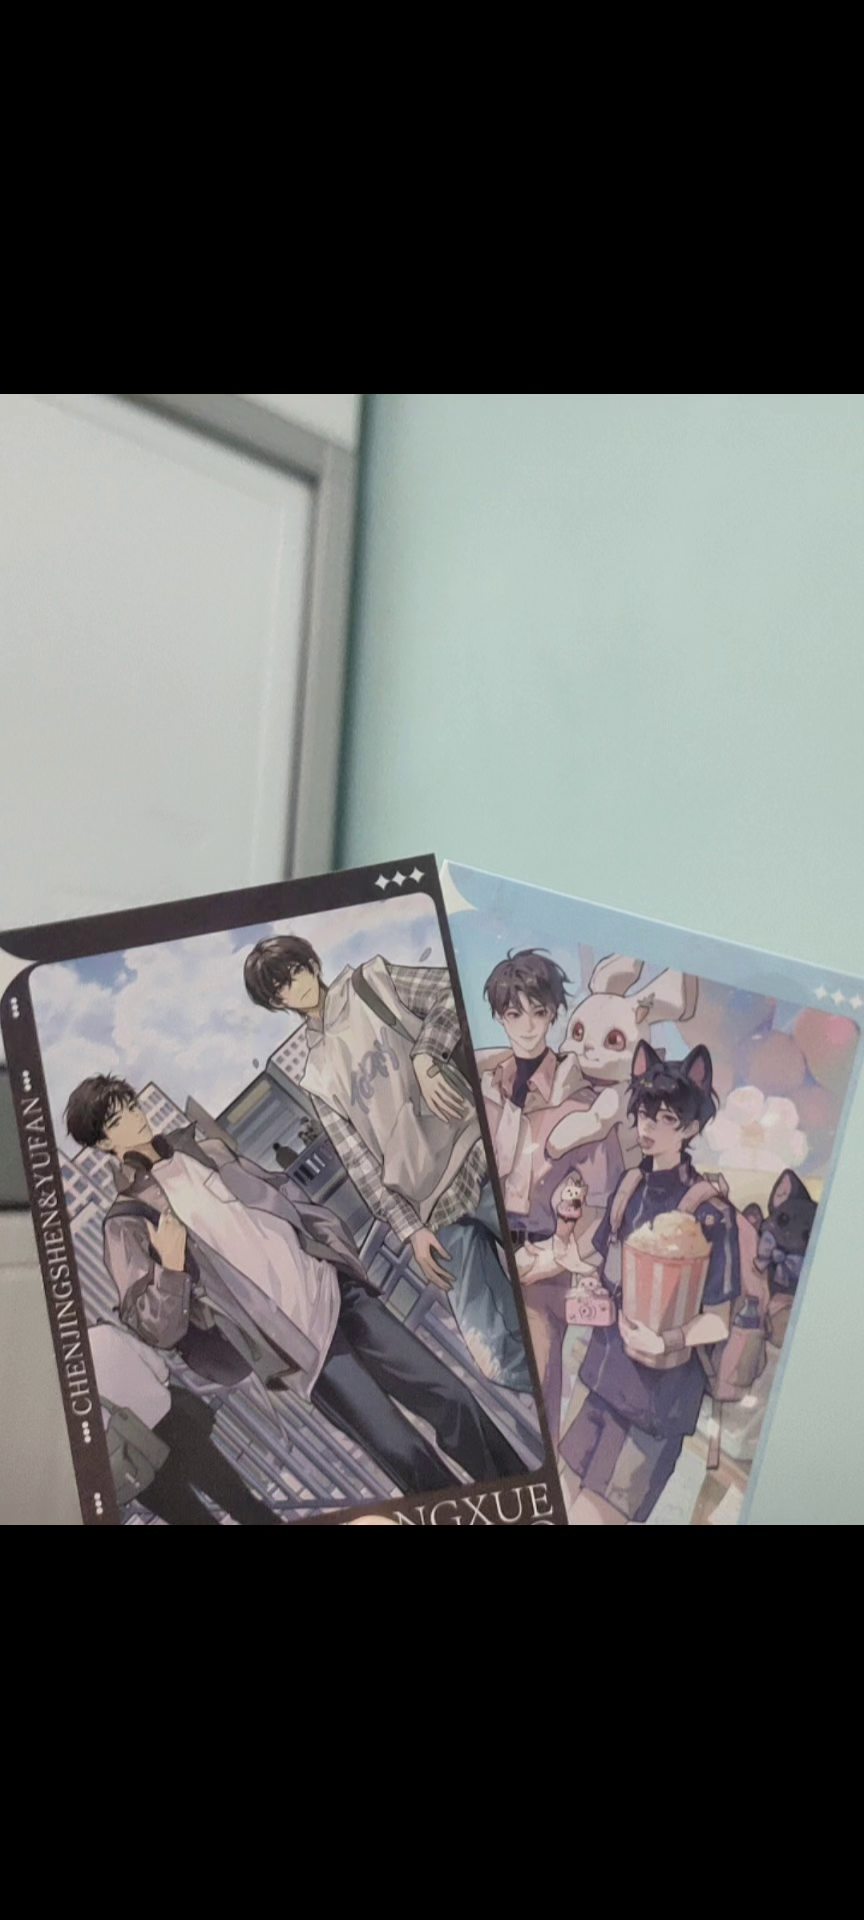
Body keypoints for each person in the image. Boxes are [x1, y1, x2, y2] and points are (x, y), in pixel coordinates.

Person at [65, 1075, 526, 1499]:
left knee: (451, 1397)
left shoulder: (200, 1147)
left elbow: (280, 1191)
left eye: (131, 1104)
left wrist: (332, 1248)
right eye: (117, 1119)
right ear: (103, 1143)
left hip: (335, 1292)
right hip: (299, 1349)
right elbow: (153, 1327)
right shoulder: (126, 1221)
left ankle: (519, 1496)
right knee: (404, 1452)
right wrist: (169, 1268)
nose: (135, 1117)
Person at [243, 934, 531, 1392]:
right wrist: (409, 1231)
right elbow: (360, 1163)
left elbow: (452, 991)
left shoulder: (370, 983)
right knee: (496, 1357)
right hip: (431, 1210)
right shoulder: (316, 1075)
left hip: (477, 1157)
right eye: (280, 987)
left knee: (552, 1279)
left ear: (312, 963)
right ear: (276, 1003)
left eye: (295, 971)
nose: (295, 987)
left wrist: (424, 1056)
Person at [559, 1042, 739, 1526]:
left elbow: (718, 1320)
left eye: (666, 1119)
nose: (648, 1127)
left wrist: (665, 1340)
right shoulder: (630, 1187)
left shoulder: (711, 1214)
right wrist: (571, 1265)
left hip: (655, 1409)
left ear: (691, 1128)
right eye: (644, 1114)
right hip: (601, 1380)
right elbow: (597, 1259)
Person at [478, 949, 607, 1444]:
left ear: (553, 1014)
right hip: (492, 1249)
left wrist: (557, 1252)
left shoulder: (578, 1096)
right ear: (499, 1017)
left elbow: (597, 1190)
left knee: (540, 1391)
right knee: (497, 1380)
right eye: (514, 1013)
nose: (528, 1025)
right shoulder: (489, 1087)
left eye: (538, 1011)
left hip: (547, 1259)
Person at [88, 1318, 284, 1525]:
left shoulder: (67, 1394)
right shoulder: (104, 1334)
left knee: (193, 1521)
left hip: (132, 1456)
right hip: (172, 1424)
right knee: (237, 1500)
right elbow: (160, 1368)